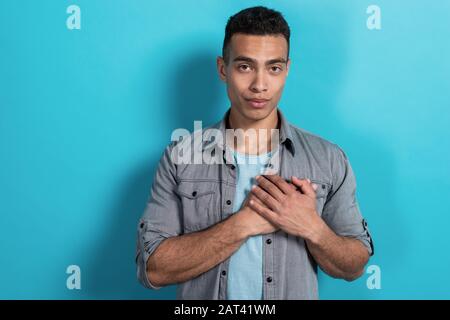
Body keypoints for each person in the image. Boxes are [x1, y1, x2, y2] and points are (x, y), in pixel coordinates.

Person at [136, 6, 374, 300]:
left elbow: (354, 266)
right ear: (223, 69)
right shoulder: (180, 157)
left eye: (273, 68)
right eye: (245, 67)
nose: (259, 85)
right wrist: (242, 224)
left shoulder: (328, 159)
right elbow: (153, 269)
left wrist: (313, 228)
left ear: (286, 70)